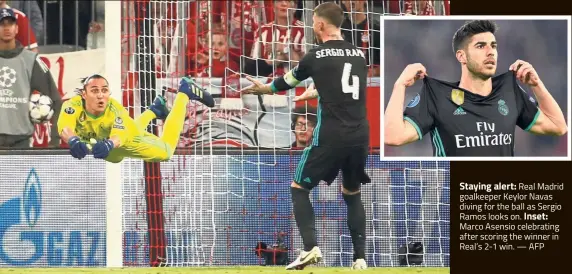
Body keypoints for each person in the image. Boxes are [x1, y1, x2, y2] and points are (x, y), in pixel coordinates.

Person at [241, 2, 370, 270]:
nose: (312, 26)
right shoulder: (359, 55)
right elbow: (347, 89)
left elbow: (285, 83)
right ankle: (360, 259)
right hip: (360, 135)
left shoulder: (316, 56)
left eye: (313, 21)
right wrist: (320, 91)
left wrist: (263, 88)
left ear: (321, 24)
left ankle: (310, 249)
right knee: (352, 193)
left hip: (331, 134)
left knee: (299, 188)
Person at [384, 20, 567, 157]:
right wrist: (399, 86)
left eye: (493, 46)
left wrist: (537, 86)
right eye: (481, 46)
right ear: (461, 56)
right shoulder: (438, 97)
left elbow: (558, 127)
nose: (490, 52)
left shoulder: (509, 92)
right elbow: (393, 136)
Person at [57, 75, 214, 162]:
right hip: (107, 148)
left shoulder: (116, 110)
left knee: (166, 152)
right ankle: (155, 110)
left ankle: (184, 93)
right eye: (94, 90)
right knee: (115, 156)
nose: (100, 95)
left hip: (122, 142)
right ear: (84, 94)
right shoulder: (73, 105)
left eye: (104, 90)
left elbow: (120, 136)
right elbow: (65, 127)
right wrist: (73, 141)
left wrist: (109, 144)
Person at [0, 8, 60, 148]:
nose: (7, 28)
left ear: (17, 29)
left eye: (10, 24)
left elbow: (56, 100)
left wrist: (55, 139)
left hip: (21, 142)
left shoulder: (31, 60)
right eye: (2, 24)